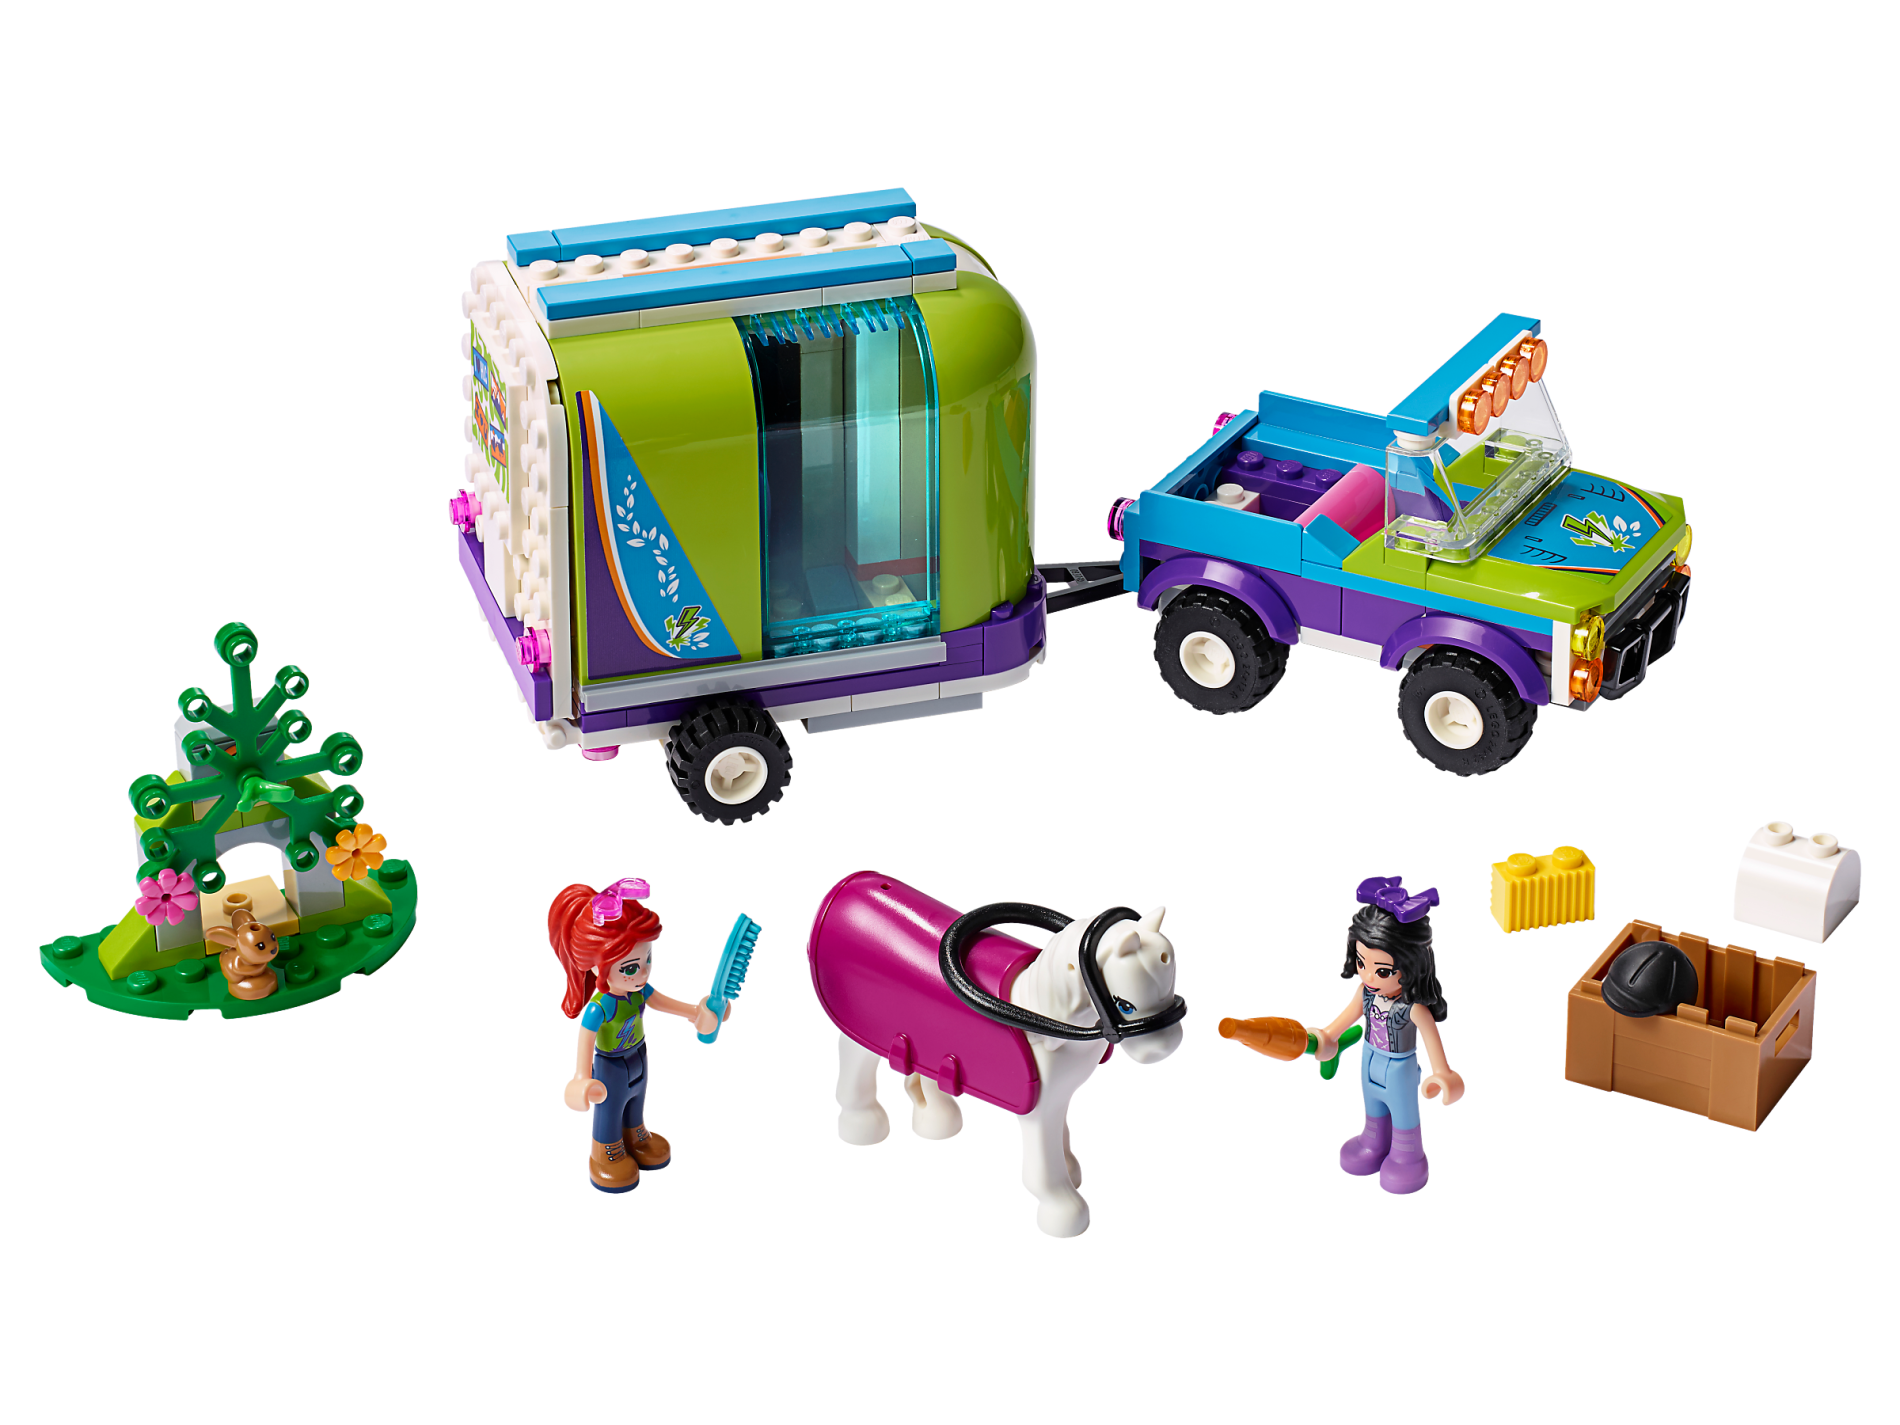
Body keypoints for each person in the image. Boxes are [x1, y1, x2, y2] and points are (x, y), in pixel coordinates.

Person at [549, 878, 728, 1193]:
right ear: (597, 968)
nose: (643, 973)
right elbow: (585, 1041)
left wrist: (699, 1014)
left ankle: (635, 1134)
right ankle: (604, 1150)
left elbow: (666, 1003)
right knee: (610, 1109)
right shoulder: (600, 1008)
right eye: (630, 968)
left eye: (648, 960)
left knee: (636, 1101)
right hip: (610, 1067)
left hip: (639, 1056)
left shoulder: (639, 991)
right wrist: (581, 1077)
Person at [1309, 876, 1463, 1193]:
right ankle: (1374, 1142)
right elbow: (1343, 1021)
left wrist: (1443, 1074)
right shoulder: (1364, 994)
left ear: (1412, 967)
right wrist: (1327, 1036)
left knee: (1403, 1112)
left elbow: (1432, 1041)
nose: (1368, 976)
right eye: (1361, 962)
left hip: (1399, 1069)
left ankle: (1408, 1156)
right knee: (1373, 1106)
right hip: (1368, 1059)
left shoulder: (1414, 1008)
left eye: (1382, 971)